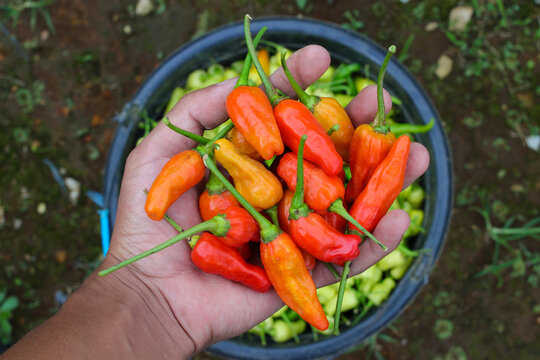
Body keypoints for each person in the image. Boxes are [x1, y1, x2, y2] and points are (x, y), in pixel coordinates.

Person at [2, 45, 429, 359]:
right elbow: (271, 176)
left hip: (285, 210)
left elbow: (305, 171)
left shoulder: (285, 184)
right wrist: (139, 284)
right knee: (292, 196)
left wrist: (139, 288)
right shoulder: (248, 194)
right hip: (274, 214)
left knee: (321, 189)